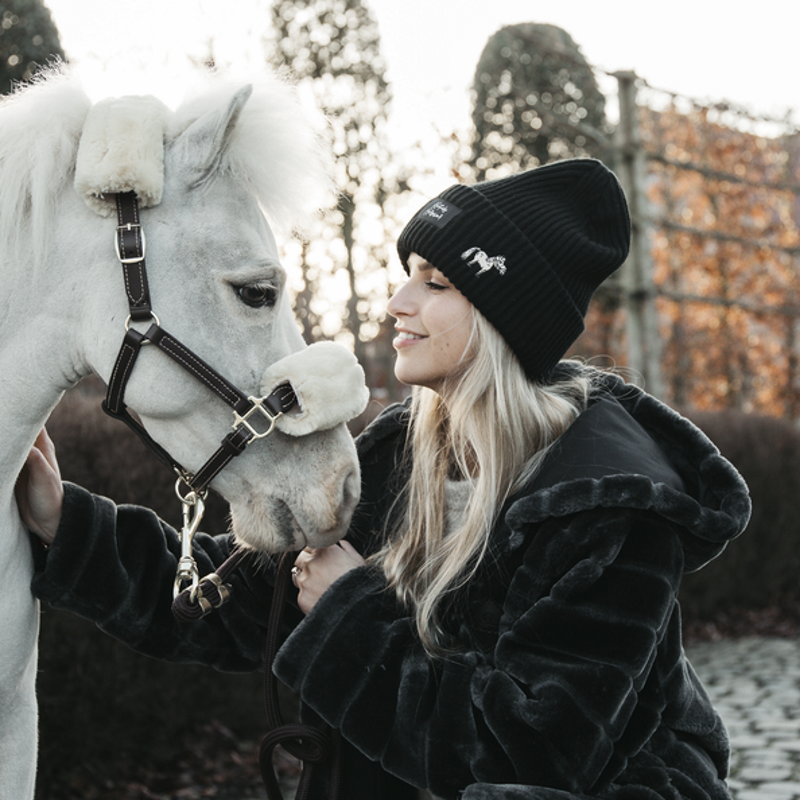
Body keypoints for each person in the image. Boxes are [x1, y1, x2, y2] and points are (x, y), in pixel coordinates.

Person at [18, 159, 750, 800]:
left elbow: (534, 750)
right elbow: (243, 606)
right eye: (407, 277)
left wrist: (349, 611)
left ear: (505, 321)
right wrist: (68, 525)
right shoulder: (405, 450)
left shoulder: (610, 506)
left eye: (436, 284)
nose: (399, 303)